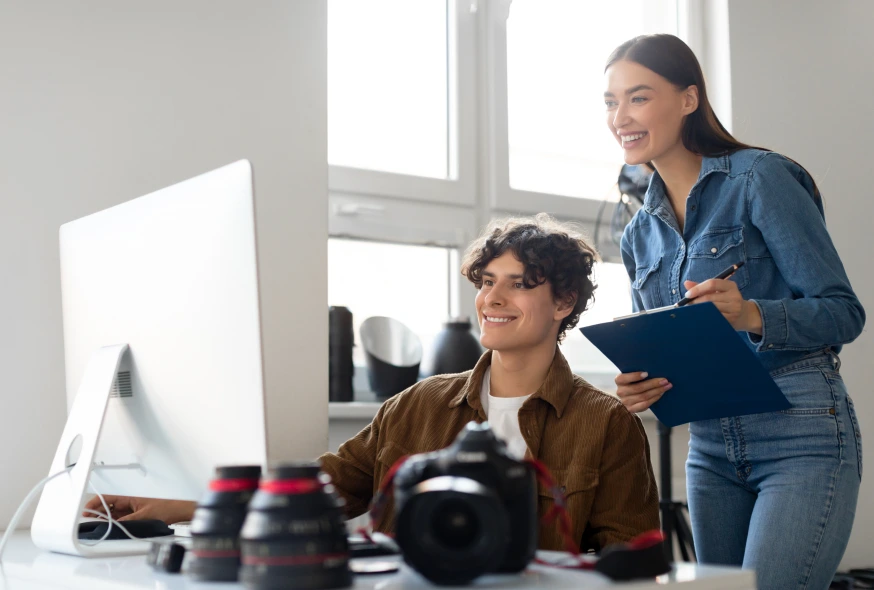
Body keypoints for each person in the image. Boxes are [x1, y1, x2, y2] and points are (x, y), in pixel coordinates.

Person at [85, 214, 659, 552]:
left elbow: (633, 560)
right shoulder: (417, 405)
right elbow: (318, 492)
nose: (493, 299)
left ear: (563, 301)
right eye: (487, 281)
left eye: (519, 284)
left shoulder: (605, 423)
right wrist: (176, 507)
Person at [604, 33, 865, 589]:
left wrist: (751, 315)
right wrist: (639, 384)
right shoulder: (637, 234)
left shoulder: (759, 178)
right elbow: (660, 342)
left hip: (801, 431)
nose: (620, 115)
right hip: (711, 447)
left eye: (639, 97)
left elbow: (844, 314)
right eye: (611, 101)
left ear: (689, 99)